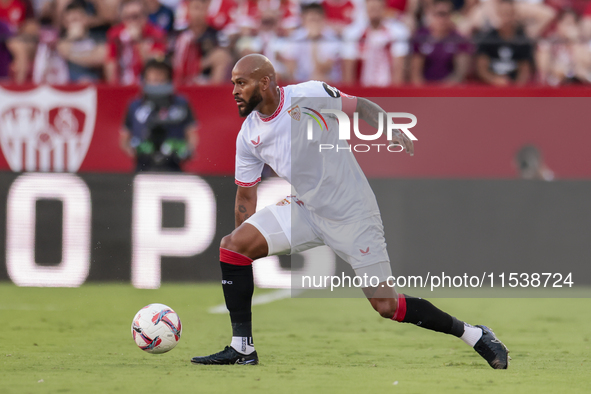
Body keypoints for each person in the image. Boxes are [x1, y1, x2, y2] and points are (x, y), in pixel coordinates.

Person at [190, 54, 510, 369]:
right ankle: (242, 348)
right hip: (305, 211)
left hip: (353, 215)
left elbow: (360, 106)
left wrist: (390, 129)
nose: (234, 91)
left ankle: (474, 334)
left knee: (387, 305)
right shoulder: (248, 136)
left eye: (241, 83)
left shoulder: (309, 95)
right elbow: (245, 196)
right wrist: (244, 251)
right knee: (231, 248)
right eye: (233, 84)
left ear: (265, 82)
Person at [120, 59, 199, 172]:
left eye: (161, 73)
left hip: (173, 164)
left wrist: (187, 150)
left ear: (168, 78)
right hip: (143, 164)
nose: (157, 77)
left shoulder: (181, 103)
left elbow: (191, 133)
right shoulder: (135, 105)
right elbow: (124, 136)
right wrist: (132, 150)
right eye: (153, 74)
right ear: (145, 78)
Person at [342, 0, 409, 86]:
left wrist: (394, 95)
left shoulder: (398, 32)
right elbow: (348, 71)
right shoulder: (352, 33)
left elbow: (398, 68)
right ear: (365, 7)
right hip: (360, 91)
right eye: (371, 8)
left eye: (377, 8)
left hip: (388, 91)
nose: (374, 11)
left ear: (384, 7)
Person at [410, 0, 472, 85]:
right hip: (425, 88)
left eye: (446, 14)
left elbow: (460, 73)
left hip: (449, 90)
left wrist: (443, 89)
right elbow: (416, 72)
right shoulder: (421, 36)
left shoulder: (458, 38)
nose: (442, 19)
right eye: (439, 14)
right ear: (431, 14)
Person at [104, 0, 166, 85]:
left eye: (136, 17)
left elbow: (155, 67)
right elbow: (111, 63)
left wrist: (138, 41)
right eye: (127, 17)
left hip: (146, 85)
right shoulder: (115, 34)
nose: (132, 21)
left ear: (145, 16)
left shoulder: (156, 34)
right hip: (122, 84)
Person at [475, 0, 533, 86]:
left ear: (515, 15)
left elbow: (525, 69)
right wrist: (494, 80)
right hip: (491, 88)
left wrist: (516, 88)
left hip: (515, 88)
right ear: (497, 15)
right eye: (503, 14)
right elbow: (482, 68)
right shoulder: (488, 39)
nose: (506, 19)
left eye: (509, 14)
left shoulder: (522, 40)